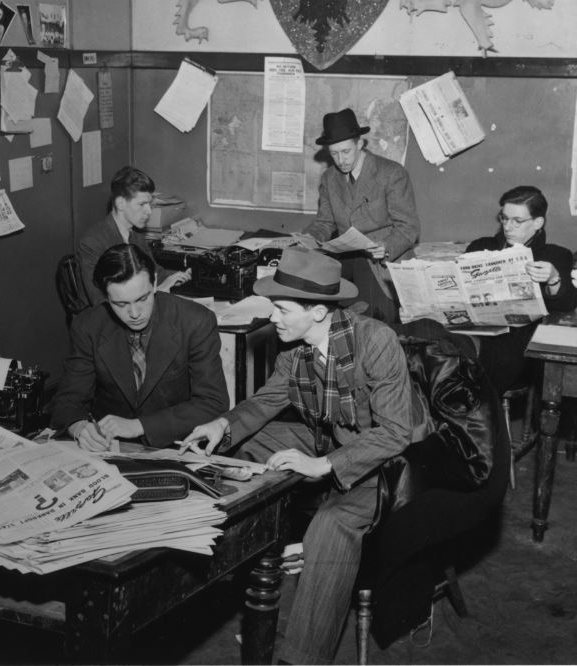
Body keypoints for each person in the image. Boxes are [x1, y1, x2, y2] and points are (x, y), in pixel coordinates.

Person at [180, 248, 416, 665]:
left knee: (331, 523)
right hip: (330, 437)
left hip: (384, 460)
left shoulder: (376, 342)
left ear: (319, 312)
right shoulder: (296, 345)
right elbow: (271, 397)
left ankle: (301, 657)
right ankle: (238, 559)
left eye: (282, 308)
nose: (273, 317)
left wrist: (322, 466)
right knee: (245, 447)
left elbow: (395, 432)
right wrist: (223, 425)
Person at [51, 243, 229, 449]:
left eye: (142, 299)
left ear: (154, 283)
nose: (135, 313)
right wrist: (79, 427)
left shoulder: (195, 321)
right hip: (109, 447)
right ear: (106, 297)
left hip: (175, 445)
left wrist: (140, 426)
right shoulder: (88, 326)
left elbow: (213, 402)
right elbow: (68, 400)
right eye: (121, 304)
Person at [306, 108, 421, 322]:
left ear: (360, 144)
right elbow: (324, 222)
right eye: (334, 154)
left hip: (382, 265)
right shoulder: (329, 178)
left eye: (346, 152)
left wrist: (386, 246)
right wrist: (308, 239)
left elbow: (408, 227)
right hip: (346, 263)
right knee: (331, 320)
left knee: (376, 325)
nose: (340, 160)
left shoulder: (391, 173)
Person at [466, 185, 577, 394]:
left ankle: (470, 409)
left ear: (538, 222)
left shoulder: (556, 255)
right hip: (474, 331)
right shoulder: (480, 247)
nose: (508, 227)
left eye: (517, 221)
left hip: (515, 345)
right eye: (504, 218)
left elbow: (568, 303)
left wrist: (554, 278)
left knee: (501, 352)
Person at [76, 166, 190, 307]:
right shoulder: (93, 243)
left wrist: (182, 276)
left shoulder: (136, 237)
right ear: (121, 203)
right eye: (142, 204)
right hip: (105, 322)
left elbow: (156, 273)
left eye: (149, 204)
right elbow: (100, 301)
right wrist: (155, 292)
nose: (149, 211)